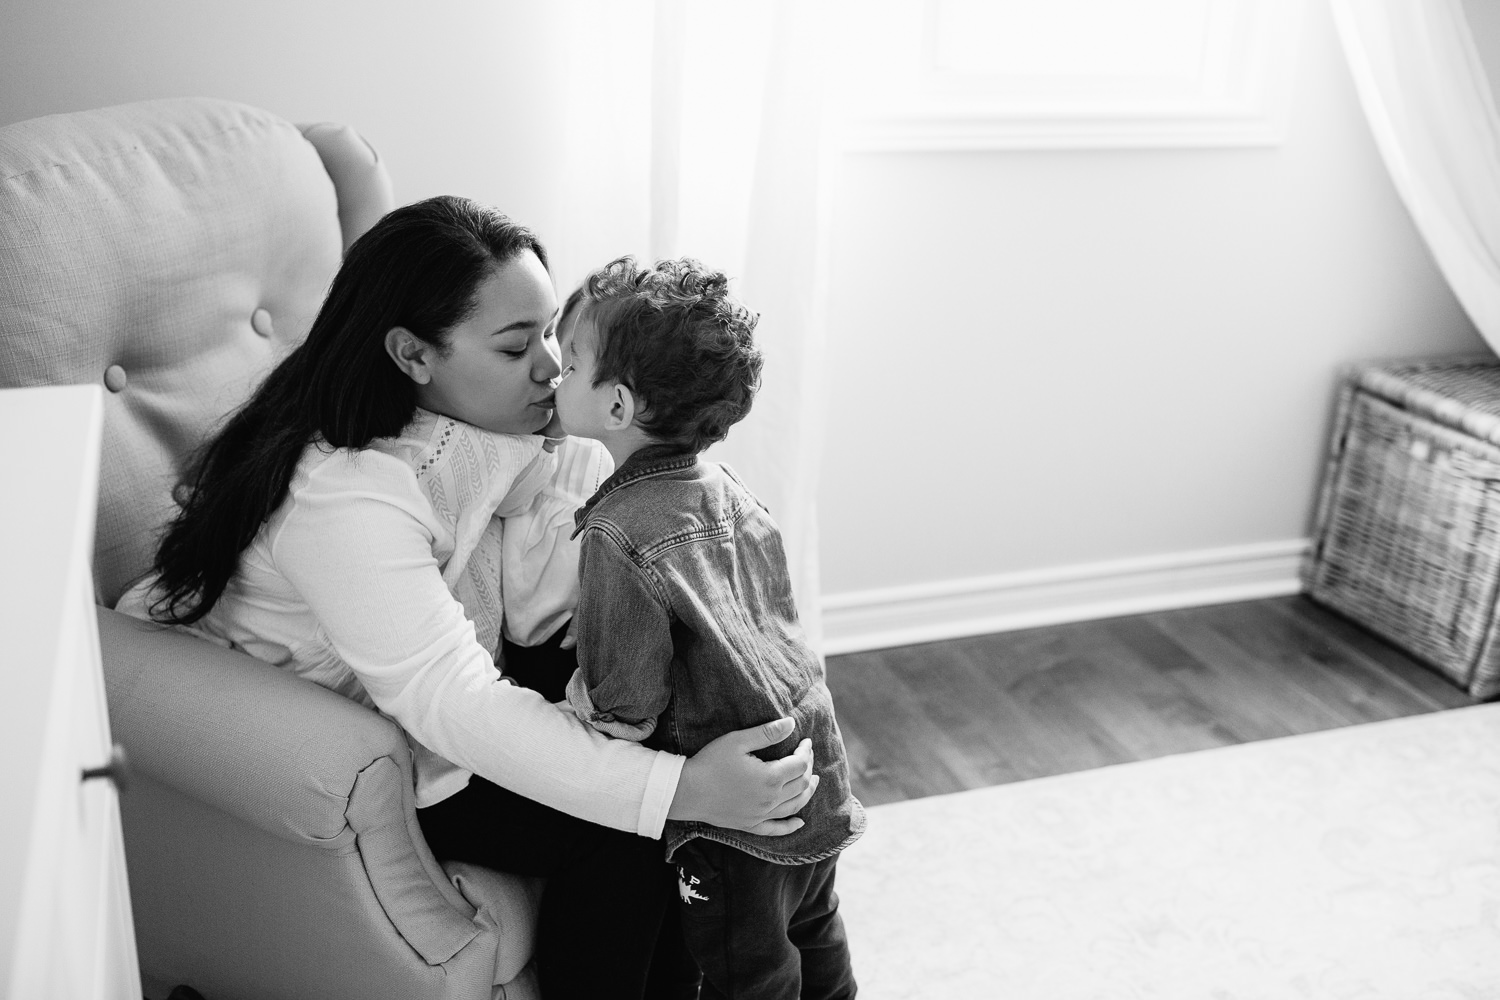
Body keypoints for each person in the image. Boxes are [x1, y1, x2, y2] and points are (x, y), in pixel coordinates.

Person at [117, 196, 817, 1000]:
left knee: (673, 721)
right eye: (519, 346)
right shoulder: (345, 495)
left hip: (442, 671)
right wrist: (677, 791)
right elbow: (447, 698)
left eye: (554, 332)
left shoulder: (482, 433)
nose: (553, 369)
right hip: (336, 724)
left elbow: (547, 597)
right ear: (414, 354)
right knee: (633, 836)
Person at [553, 256, 865, 1000]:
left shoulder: (618, 531)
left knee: (747, 974)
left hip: (738, 820)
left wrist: (573, 696)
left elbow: (625, 708)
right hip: (814, 766)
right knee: (817, 935)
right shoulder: (728, 492)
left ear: (618, 407)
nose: (553, 376)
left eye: (568, 365)